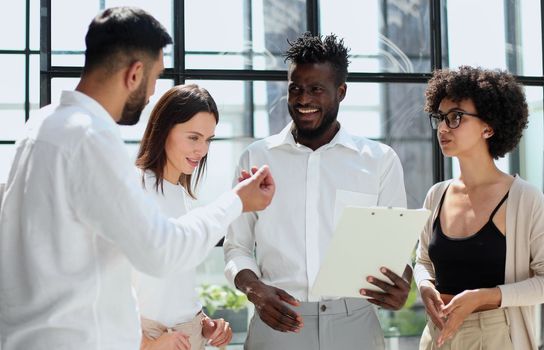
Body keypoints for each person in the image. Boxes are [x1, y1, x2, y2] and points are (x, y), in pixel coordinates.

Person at [0, 7, 274, 350]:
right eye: (155, 77)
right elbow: (160, 251)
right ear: (135, 73)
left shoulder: (40, 128)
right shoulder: (90, 137)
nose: (150, 93)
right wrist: (237, 200)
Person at [223, 32, 411, 350]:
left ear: (341, 92)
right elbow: (236, 246)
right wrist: (254, 289)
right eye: (295, 88)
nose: (303, 100)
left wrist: (402, 281)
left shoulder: (379, 161)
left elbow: (394, 251)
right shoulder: (256, 158)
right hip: (279, 324)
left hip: (357, 327)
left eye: (315, 90)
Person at [414, 66, 544, 349]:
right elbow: (423, 261)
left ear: (489, 126)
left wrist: (483, 296)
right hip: (437, 336)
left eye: (456, 117)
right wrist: (424, 286)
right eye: (440, 118)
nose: (443, 128)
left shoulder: (524, 199)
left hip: (496, 335)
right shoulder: (437, 195)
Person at [133, 84, 233, 350]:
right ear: (164, 129)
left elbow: (169, 287)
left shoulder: (182, 197)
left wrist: (204, 324)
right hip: (151, 341)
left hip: (189, 338)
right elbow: (107, 286)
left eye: (208, 139)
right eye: (193, 137)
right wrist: (146, 344)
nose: (202, 150)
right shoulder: (133, 188)